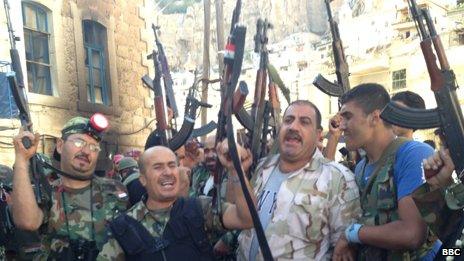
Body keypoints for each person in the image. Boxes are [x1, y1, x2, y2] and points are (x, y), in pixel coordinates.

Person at [237, 100, 361, 260]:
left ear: (318, 135)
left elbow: (344, 251)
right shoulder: (263, 167)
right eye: (288, 120)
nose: (293, 127)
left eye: (304, 122)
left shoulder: (337, 178)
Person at [97, 145, 256, 260]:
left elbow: (247, 218)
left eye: (172, 165)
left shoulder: (200, 208)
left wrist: (237, 170)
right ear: (143, 179)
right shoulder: (122, 228)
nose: (167, 172)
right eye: (158, 167)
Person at [336, 83, 439, 260]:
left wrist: (352, 234)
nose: (342, 125)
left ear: (375, 117)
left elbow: (412, 234)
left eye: (347, 116)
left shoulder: (412, 154)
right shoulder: (361, 168)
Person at [11, 116, 129, 260]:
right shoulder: (48, 192)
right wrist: (22, 159)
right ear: (60, 146)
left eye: (94, 147)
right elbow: (27, 222)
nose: (86, 151)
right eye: (79, 142)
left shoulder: (116, 190)